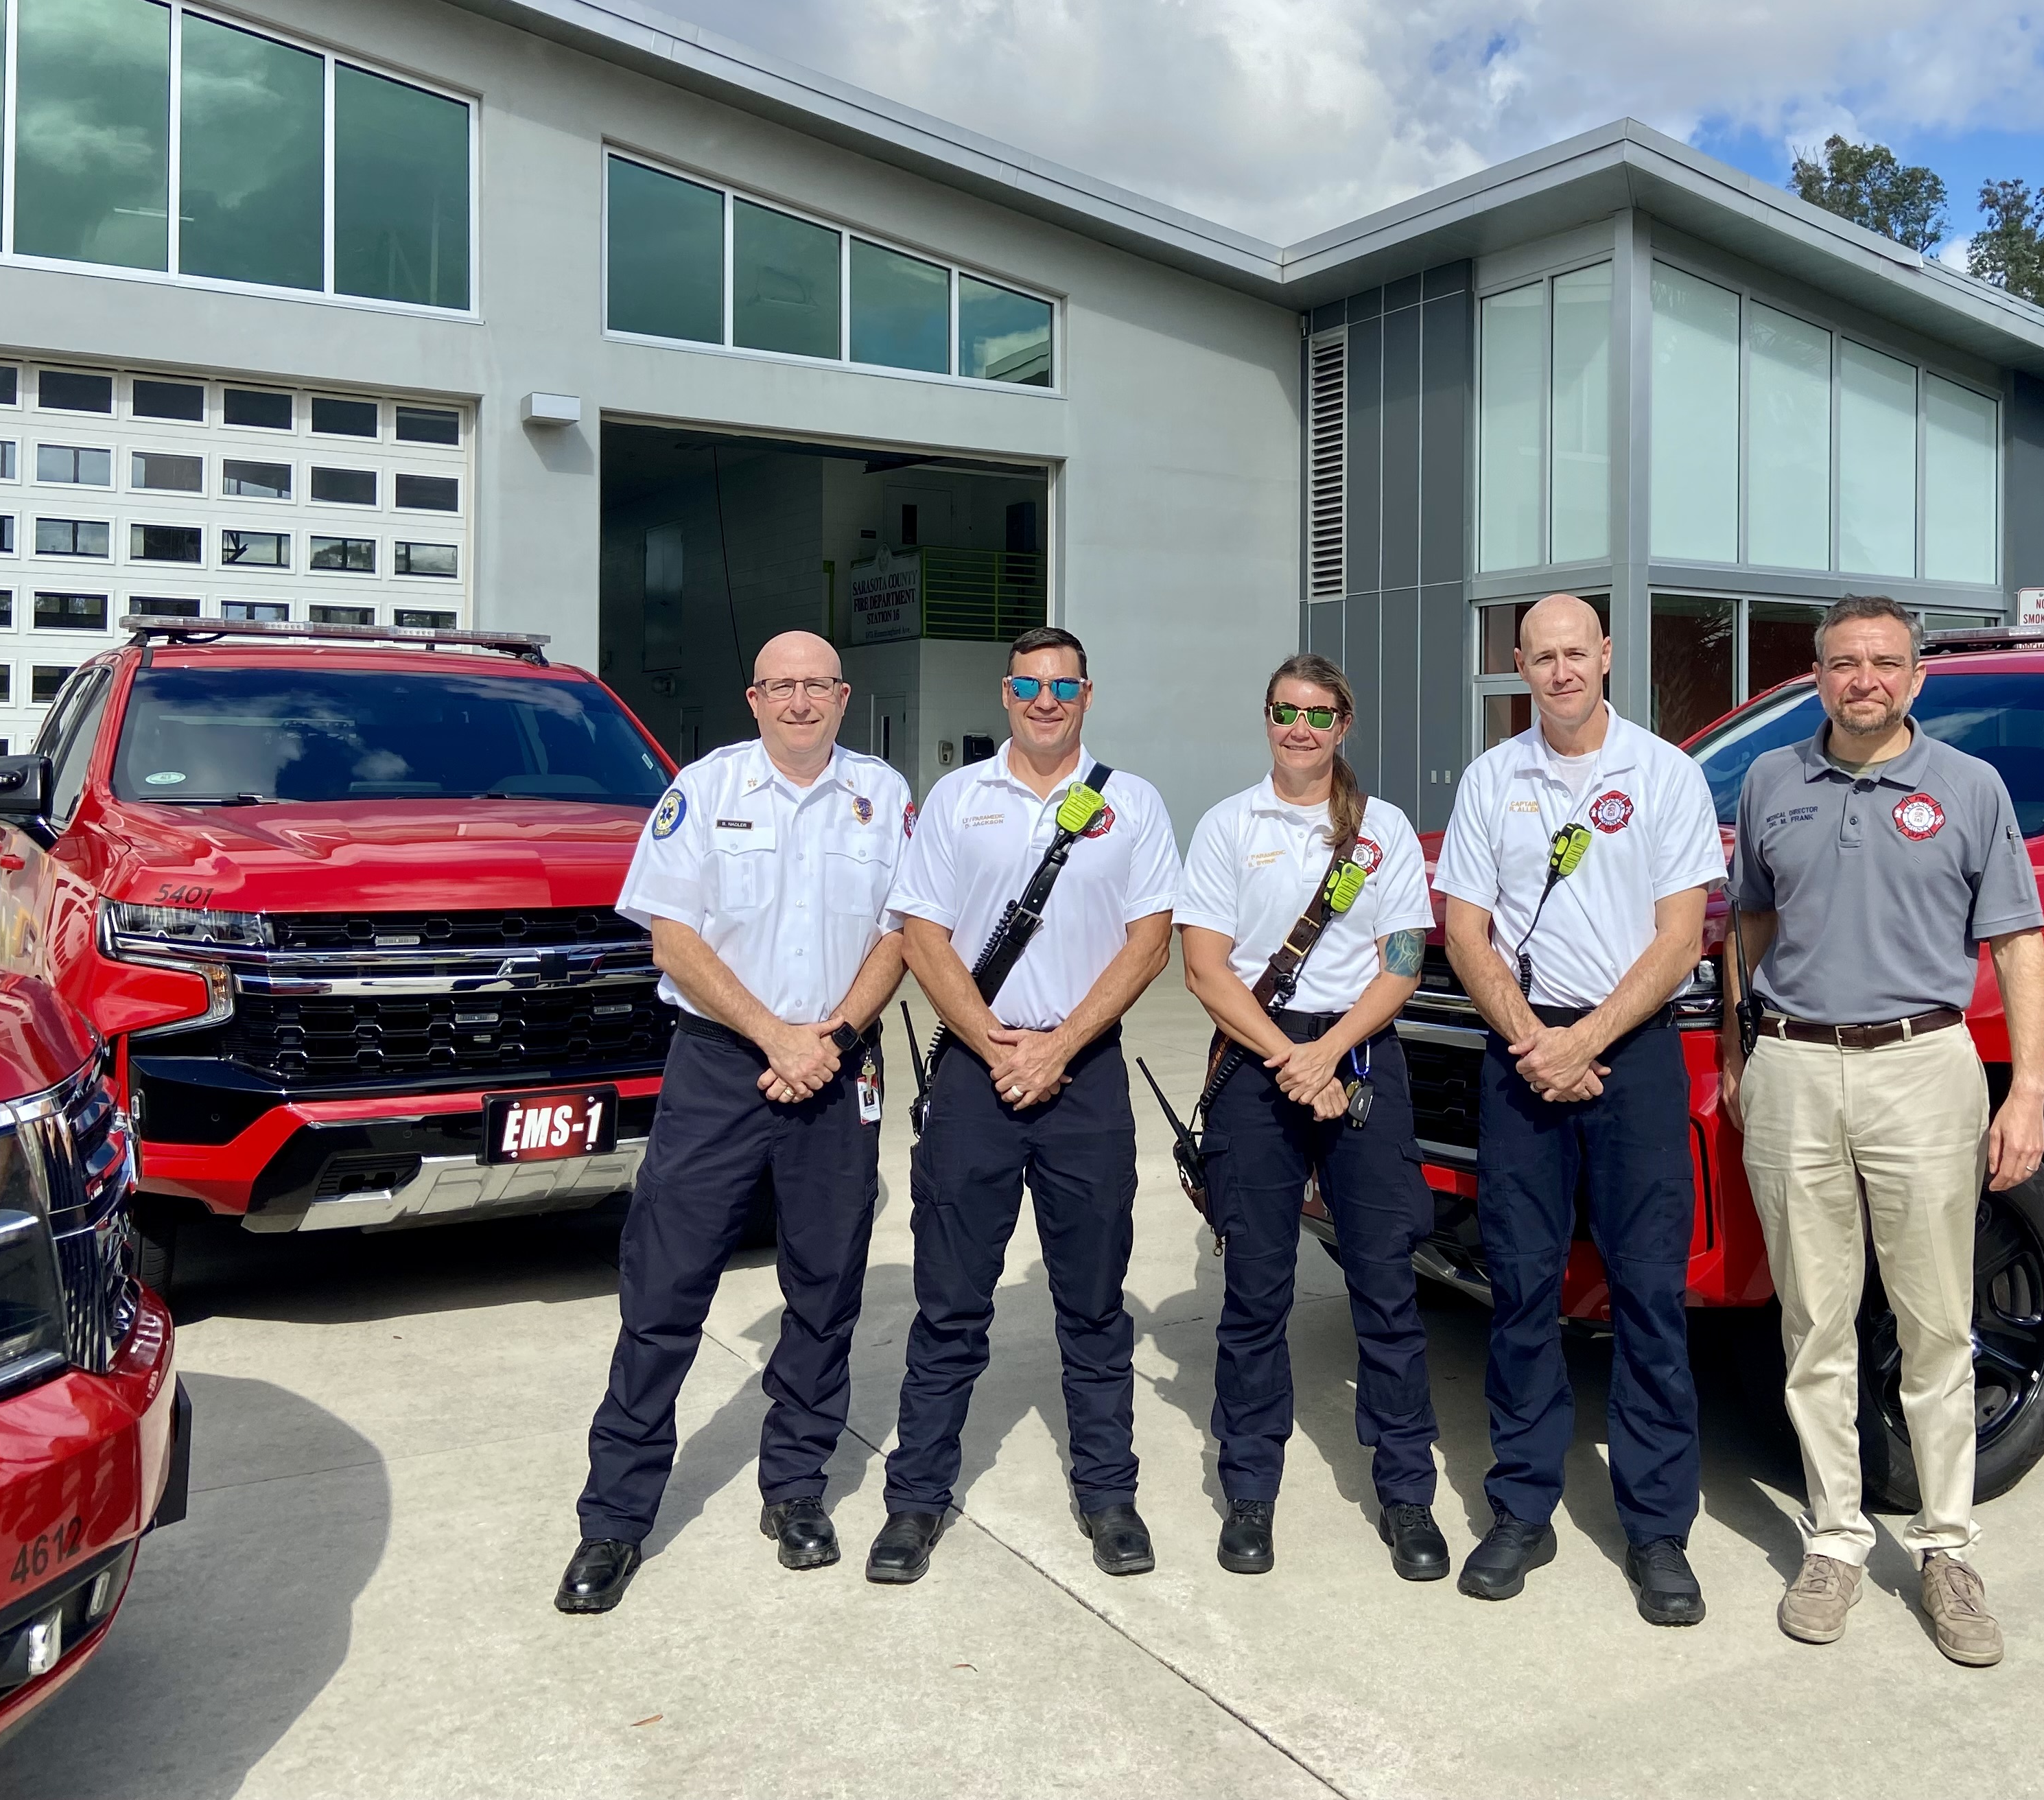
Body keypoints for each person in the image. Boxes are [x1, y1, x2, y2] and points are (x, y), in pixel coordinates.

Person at [1720, 594, 2044, 1668]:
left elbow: (2017, 947)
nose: (1864, 678)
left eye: (1884, 662)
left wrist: (2028, 1090)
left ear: (1916, 677)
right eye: (1844, 662)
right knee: (1813, 1320)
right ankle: (1836, 1537)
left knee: (1934, 1323)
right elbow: (1751, 923)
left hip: (1923, 1065)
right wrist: (1740, 1048)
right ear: (1817, 674)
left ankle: (1947, 1549)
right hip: (1797, 1066)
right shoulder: (1774, 781)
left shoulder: (1969, 789)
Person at [558, 631, 911, 1615]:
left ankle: (797, 1489)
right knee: (664, 1292)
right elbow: (674, 935)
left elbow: (903, 933)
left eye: (817, 685)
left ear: (843, 696)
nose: (800, 701)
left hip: (838, 1069)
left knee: (825, 1289)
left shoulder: (885, 798)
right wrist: (774, 1036)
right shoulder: (704, 792)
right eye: (781, 686)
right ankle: (614, 1521)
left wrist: (829, 1038)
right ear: (753, 698)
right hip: (720, 1065)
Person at [1432, 594, 1726, 1626]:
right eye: (1541, 656)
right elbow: (1465, 929)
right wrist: (1534, 1042)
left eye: (1576, 653)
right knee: (1519, 1289)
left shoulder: (1663, 774)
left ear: (1607, 656)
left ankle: (1656, 1531)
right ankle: (1522, 1507)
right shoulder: (1489, 779)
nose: (1560, 672)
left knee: (1649, 1295)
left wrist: (1585, 1042)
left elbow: (1681, 935)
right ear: (1518, 664)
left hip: (1630, 1053)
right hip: (1524, 1054)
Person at [868, 626, 1181, 1582]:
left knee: (1092, 1304)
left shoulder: (1132, 804)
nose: (1046, 701)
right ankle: (916, 1501)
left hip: (1082, 1075)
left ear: (1089, 694)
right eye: (1027, 686)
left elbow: (1150, 939)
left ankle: (1108, 1494)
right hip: (976, 1073)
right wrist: (995, 1040)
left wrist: (1059, 1045)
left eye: (1063, 686)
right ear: (1005, 695)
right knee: (951, 1304)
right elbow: (922, 936)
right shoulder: (960, 801)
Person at [1175, 653, 1447, 1582]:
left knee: (1386, 1289)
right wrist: (1292, 1058)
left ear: (1344, 726)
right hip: (1259, 1058)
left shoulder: (1385, 831)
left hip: (1361, 1048)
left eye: (1318, 715)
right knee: (1256, 1294)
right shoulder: (1225, 826)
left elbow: (1402, 960)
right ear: (1267, 720)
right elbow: (1206, 968)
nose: (1300, 728)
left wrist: (1330, 1054)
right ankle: (1250, 1489)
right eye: (1285, 711)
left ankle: (1407, 1493)